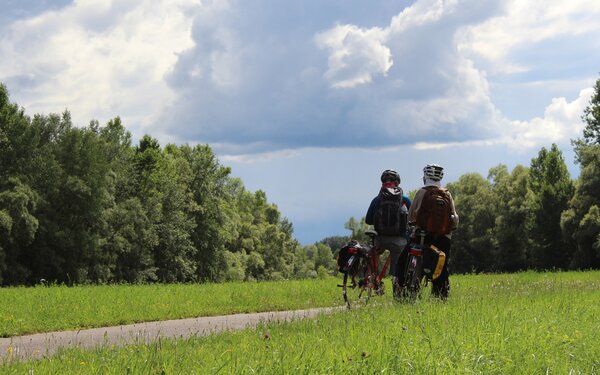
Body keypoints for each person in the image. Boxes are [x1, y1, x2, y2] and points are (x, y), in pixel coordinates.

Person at [406, 163, 458, 299]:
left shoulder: (421, 192)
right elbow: (455, 219)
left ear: (425, 177)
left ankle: (409, 291)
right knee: (442, 266)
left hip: (423, 236)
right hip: (444, 238)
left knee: (408, 260)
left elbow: (411, 216)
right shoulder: (447, 194)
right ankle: (441, 296)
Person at [365, 169, 412, 292]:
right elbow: (413, 217)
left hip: (379, 239)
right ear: (397, 183)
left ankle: (370, 279)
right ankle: (397, 291)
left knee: (373, 255)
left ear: (382, 183)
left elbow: (368, 220)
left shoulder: (377, 199)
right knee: (397, 268)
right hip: (399, 240)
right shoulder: (405, 199)